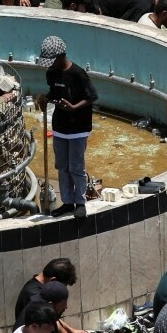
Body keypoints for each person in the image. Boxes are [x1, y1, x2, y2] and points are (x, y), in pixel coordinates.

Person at [37, 35, 97, 217]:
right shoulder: (51, 73)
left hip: (78, 128)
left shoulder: (78, 74)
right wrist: (45, 100)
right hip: (60, 127)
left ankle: (80, 202)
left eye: (52, 61)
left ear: (61, 56)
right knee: (62, 166)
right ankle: (67, 202)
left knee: (76, 167)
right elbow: (54, 92)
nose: (50, 65)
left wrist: (73, 107)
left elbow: (92, 96)